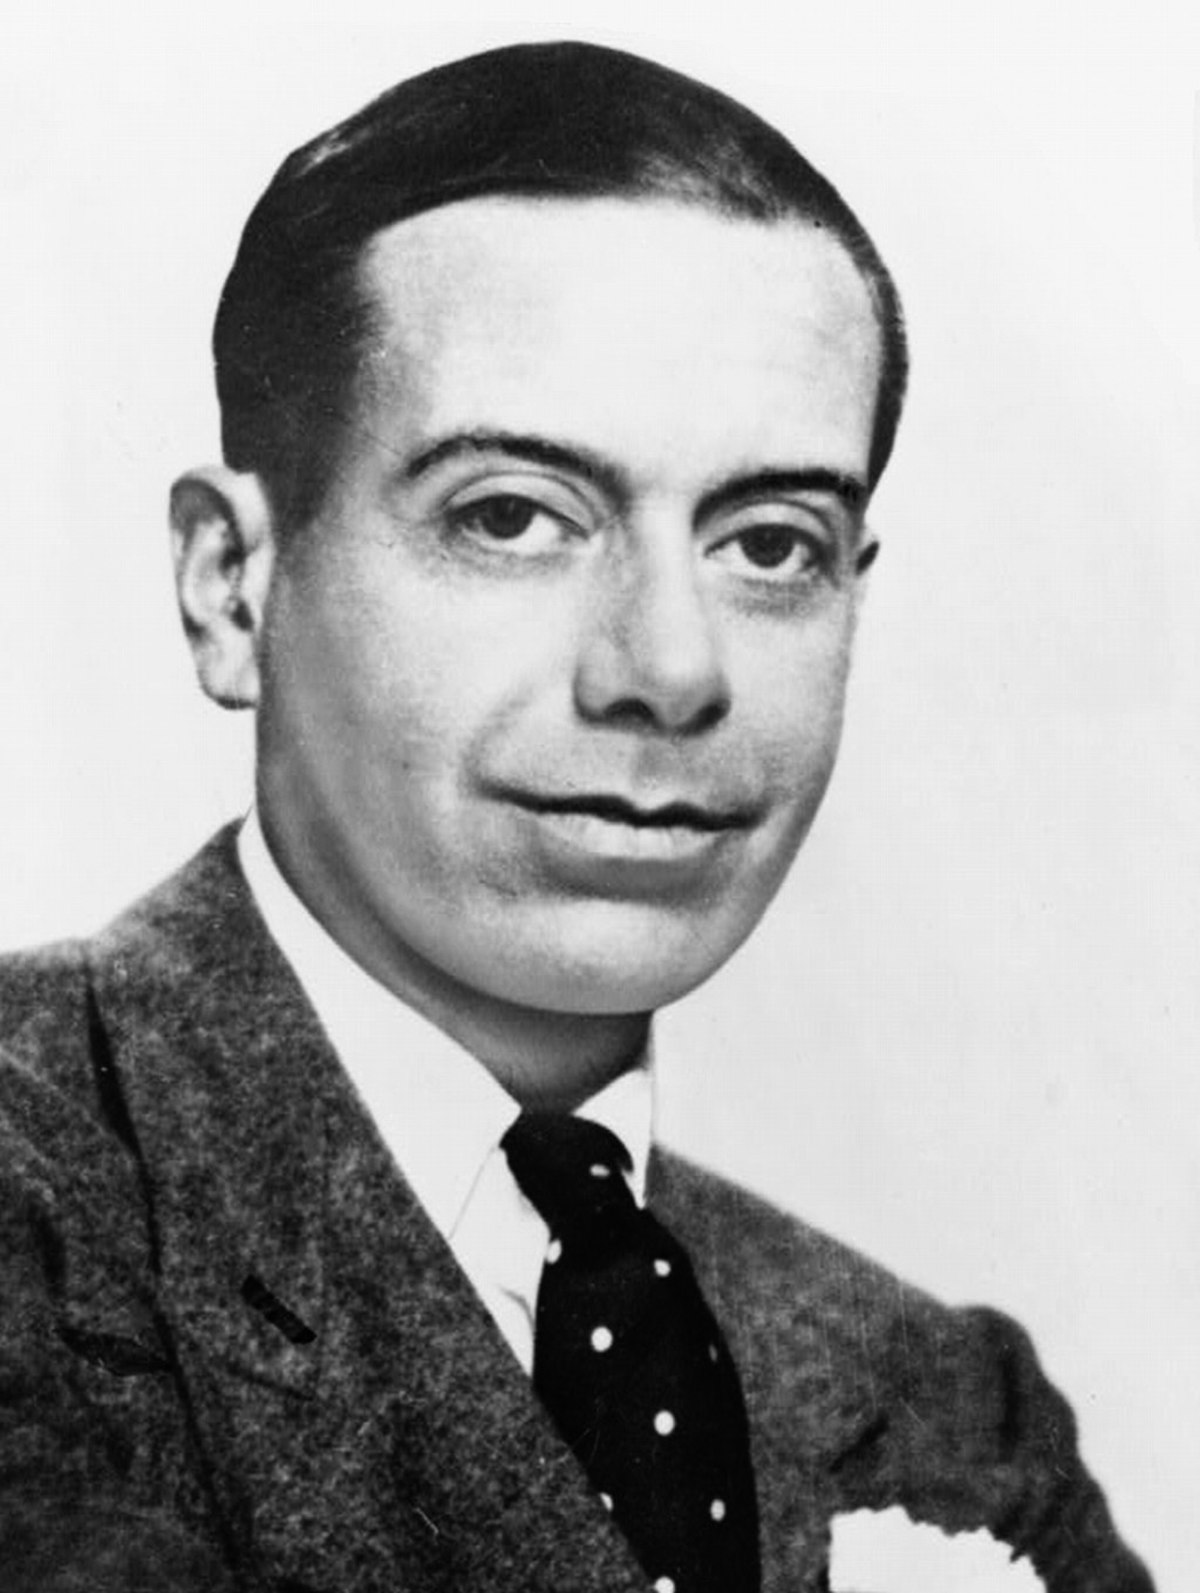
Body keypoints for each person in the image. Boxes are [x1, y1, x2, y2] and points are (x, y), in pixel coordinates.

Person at [0, 39, 1153, 1593]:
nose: (673, 668)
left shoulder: (945, 1407)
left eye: (770, 543)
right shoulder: (40, 1208)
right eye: (512, 516)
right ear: (231, 585)